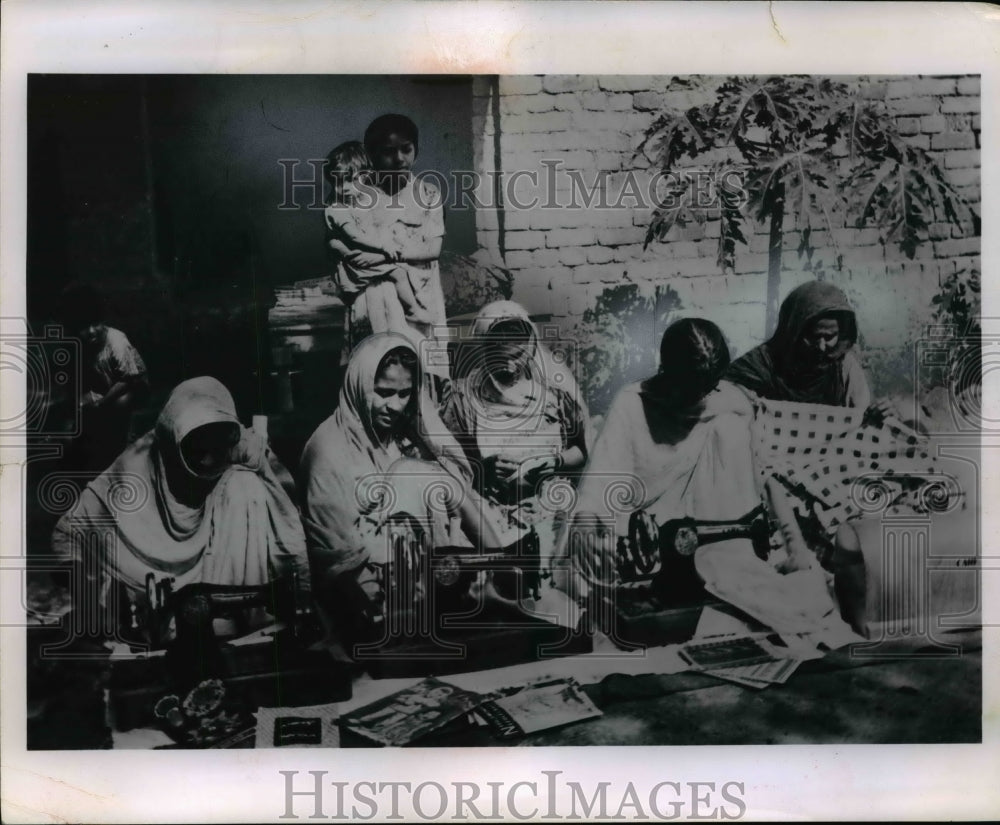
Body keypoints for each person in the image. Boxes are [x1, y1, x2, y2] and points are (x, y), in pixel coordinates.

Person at [51, 377, 309, 637]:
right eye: (198, 450)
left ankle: (240, 626)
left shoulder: (238, 449)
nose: (209, 461)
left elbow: (289, 529)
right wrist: (87, 599)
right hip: (152, 610)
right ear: (171, 446)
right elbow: (68, 534)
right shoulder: (134, 475)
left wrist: (262, 464)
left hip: (225, 604)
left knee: (247, 485)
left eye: (217, 450)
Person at [299, 333, 506, 644]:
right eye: (383, 393)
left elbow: (457, 494)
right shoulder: (327, 450)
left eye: (404, 393)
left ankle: (496, 572)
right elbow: (338, 557)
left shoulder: (407, 436)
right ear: (358, 385)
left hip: (428, 580)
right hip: (369, 594)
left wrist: (497, 561)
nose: (394, 406)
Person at [556, 318, 762, 606]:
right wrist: (588, 524)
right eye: (687, 388)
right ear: (665, 370)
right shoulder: (631, 403)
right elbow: (602, 478)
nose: (696, 397)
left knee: (730, 430)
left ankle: (722, 558)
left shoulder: (731, 406)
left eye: (707, 389)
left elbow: (745, 485)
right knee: (590, 570)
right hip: (636, 520)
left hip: (701, 518)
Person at [440, 301, 594, 570]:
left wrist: (555, 461)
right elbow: (446, 465)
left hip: (551, 509)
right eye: (500, 356)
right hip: (490, 514)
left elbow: (582, 451)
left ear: (531, 347)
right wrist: (484, 468)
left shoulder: (554, 397)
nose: (510, 366)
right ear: (484, 348)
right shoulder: (463, 399)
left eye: (518, 355)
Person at [332, 115, 449, 390]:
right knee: (377, 374)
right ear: (371, 155)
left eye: (406, 149)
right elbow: (338, 241)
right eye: (388, 151)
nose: (399, 159)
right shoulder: (357, 195)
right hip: (373, 294)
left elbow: (433, 249)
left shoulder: (428, 193)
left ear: (416, 151)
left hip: (419, 295)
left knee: (423, 374)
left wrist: (383, 256)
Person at [324, 141, 435, 327]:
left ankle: (409, 315)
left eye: (351, 181)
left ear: (366, 177)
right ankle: (412, 310)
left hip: (374, 258)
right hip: (359, 263)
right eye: (337, 182)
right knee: (398, 274)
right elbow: (353, 237)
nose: (344, 188)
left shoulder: (369, 198)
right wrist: (383, 248)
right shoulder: (337, 207)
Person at [726, 280, 872, 409]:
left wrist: (880, 413)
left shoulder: (843, 369)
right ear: (793, 331)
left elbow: (862, 415)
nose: (821, 346)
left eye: (829, 337)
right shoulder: (760, 365)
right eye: (813, 337)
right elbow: (722, 400)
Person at [56, 283, 149, 474]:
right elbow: (75, 378)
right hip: (102, 388)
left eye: (95, 324)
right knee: (80, 419)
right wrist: (82, 402)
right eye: (83, 327)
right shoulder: (77, 346)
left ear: (102, 320)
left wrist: (102, 402)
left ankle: (122, 441)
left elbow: (129, 379)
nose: (91, 331)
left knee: (121, 403)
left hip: (129, 388)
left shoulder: (116, 340)